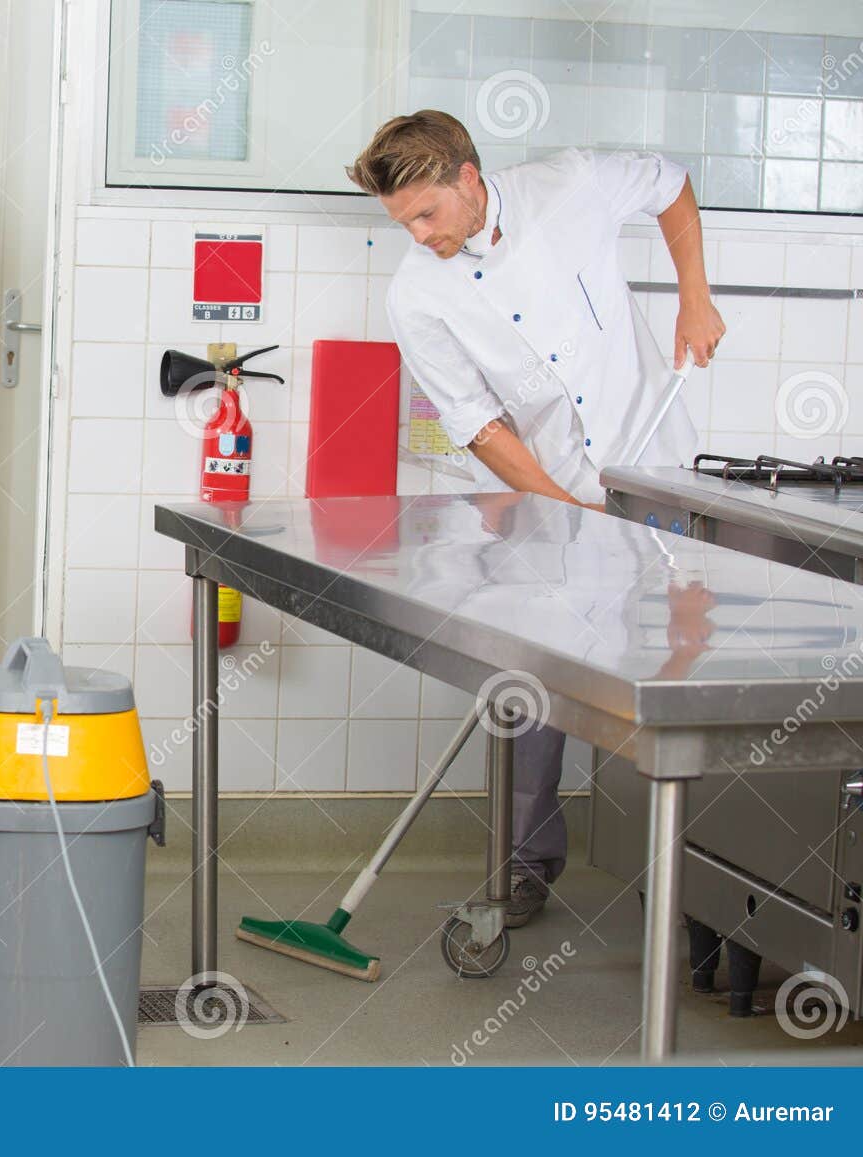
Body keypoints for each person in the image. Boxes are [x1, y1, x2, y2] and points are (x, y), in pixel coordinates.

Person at [346, 110, 725, 927]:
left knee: (684, 659)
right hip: (555, 488)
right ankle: (524, 864)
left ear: (470, 178)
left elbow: (672, 182)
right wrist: (565, 509)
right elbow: (477, 423)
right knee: (533, 683)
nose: (419, 235)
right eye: (403, 222)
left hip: (660, 459)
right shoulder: (416, 293)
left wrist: (695, 295)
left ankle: (699, 876)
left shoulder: (573, 184)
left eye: (427, 214)